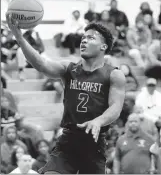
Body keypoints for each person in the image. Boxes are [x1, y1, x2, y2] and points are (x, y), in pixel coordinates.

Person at [6, 12, 126, 174]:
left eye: (91, 38)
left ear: (103, 47)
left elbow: (116, 108)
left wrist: (98, 121)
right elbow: (41, 65)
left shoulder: (114, 75)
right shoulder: (68, 68)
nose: (84, 40)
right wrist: (19, 37)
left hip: (94, 145)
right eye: (84, 37)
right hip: (68, 141)